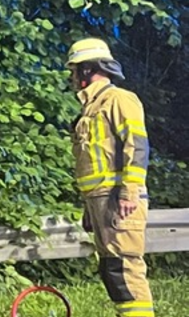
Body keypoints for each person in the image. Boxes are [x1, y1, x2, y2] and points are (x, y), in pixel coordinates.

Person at [67, 38, 154, 317]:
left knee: (125, 269)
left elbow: (136, 146)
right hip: (101, 201)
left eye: (75, 70)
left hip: (119, 200)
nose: (72, 76)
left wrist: (129, 192)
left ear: (88, 70)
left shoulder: (119, 99)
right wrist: (89, 207)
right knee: (112, 270)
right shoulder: (91, 107)